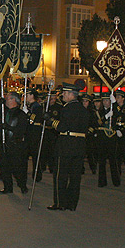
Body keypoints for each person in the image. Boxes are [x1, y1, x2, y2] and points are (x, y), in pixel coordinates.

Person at [46, 82, 89, 211]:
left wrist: (50, 121)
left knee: (61, 175)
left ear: (71, 94)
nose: (63, 95)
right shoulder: (83, 109)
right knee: (75, 176)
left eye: (64, 93)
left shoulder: (67, 108)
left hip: (66, 144)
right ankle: (72, 203)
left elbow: (62, 127)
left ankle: (60, 203)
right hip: (80, 145)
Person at [0, 91, 29, 194]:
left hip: (15, 144)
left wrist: (8, 127)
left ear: (13, 100)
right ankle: (8, 187)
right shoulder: (4, 111)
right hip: (3, 143)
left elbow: (22, 130)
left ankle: (22, 185)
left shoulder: (21, 114)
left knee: (17, 168)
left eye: (7, 98)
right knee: (4, 167)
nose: (6, 100)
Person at [93, 92, 120, 187]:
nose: (105, 102)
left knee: (113, 160)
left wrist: (115, 102)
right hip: (102, 138)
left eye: (107, 100)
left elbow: (118, 113)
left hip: (111, 137)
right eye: (104, 100)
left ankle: (116, 181)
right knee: (102, 161)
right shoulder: (98, 112)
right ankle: (102, 182)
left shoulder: (114, 110)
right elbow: (98, 122)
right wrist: (106, 116)